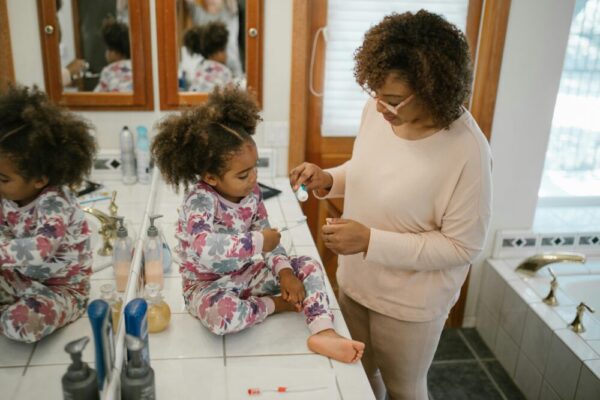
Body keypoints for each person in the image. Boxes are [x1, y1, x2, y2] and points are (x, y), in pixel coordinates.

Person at [290, 10, 492, 400]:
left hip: (409, 304)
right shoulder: (378, 112)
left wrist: (370, 241)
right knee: (359, 380)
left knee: (404, 389)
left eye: (394, 100)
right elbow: (366, 169)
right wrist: (329, 179)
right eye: (376, 93)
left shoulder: (468, 152)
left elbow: (463, 246)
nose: (381, 107)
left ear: (434, 90)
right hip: (356, 282)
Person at [151, 86, 365, 364]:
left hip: (246, 273)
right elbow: (206, 248)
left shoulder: (251, 194)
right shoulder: (200, 201)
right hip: (207, 286)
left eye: (255, 167)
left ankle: (323, 331)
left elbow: (268, 238)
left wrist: (286, 272)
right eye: (243, 174)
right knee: (222, 317)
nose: (253, 179)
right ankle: (276, 305)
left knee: (308, 265)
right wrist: (260, 243)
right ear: (211, 177)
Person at [0, 85, 97, 343]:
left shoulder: (55, 203)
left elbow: (41, 248)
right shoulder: (8, 197)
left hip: (63, 291)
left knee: (20, 324)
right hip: (22, 279)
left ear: (40, 179)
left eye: (3, 179)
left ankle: (13, 313)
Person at [185, 0, 243, 78]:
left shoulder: (230, 10)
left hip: (233, 69)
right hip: (208, 69)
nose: (210, 1)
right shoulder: (198, 14)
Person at [182, 22, 233, 92]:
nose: (226, 55)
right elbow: (231, 95)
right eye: (223, 50)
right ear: (214, 53)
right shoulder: (224, 72)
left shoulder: (199, 67)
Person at [94, 17, 132, 92]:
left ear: (113, 52)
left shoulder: (108, 71)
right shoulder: (137, 68)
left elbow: (95, 98)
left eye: (108, 49)